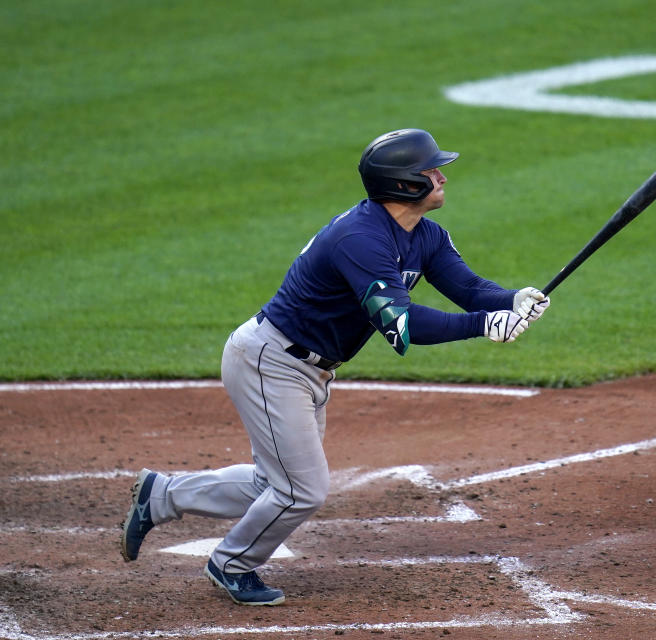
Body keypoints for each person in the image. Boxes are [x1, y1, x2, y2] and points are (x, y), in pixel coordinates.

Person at [120, 128, 550, 606]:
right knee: (302, 490)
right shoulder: (360, 239)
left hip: (307, 368)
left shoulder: (424, 235)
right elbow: (401, 323)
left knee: (273, 484)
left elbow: (468, 288)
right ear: (405, 184)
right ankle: (232, 563)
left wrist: (512, 299)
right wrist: (483, 325)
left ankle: (163, 495)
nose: (443, 176)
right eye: (432, 171)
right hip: (271, 361)